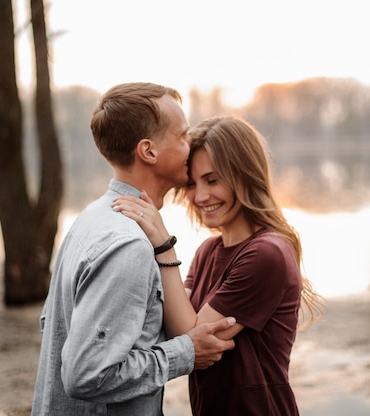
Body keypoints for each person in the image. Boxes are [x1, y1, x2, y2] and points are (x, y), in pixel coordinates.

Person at [31, 83, 236, 416]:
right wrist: (186, 352)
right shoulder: (127, 245)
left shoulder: (92, 217)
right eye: (183, 136)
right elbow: (87, 375)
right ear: (149, 151)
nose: (192, 144)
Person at [113, 115, 325, 416]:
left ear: (245, 175)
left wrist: (163, 246)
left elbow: (193, 337)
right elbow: (174, 327)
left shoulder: (267, 254)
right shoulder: (208, 251)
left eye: (213, 180)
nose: (200, 196)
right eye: (192, 183)